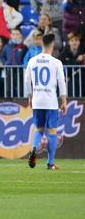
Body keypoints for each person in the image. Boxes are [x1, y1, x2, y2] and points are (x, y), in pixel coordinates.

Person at [24, 33, 67, 170]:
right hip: (50, 101)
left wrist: (30, 96)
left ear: (42, 44)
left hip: (37, 100)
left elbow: (27, 81)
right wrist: (64, 100)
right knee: (52, 131)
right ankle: (50, 163)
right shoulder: (56, 62)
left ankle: (34, 149)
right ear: (52, 45)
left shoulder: (32, 60)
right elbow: (61, 82)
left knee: (39, 130)